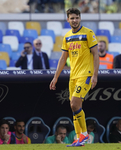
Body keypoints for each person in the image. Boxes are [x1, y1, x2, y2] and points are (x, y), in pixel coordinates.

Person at [49, 8, 99, 147]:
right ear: (68, 20)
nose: (74, 20)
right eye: (72, 18)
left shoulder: (88, 33)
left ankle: (83, 135)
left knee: (74, 103)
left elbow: (96, 54)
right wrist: (55, 77)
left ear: (80, 18)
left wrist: (95, 74)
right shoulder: (67, 36)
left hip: (86, 74)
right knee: (74, 107)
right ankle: (79, 138)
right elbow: (63, 58)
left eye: (77, 17)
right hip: (73, 76)